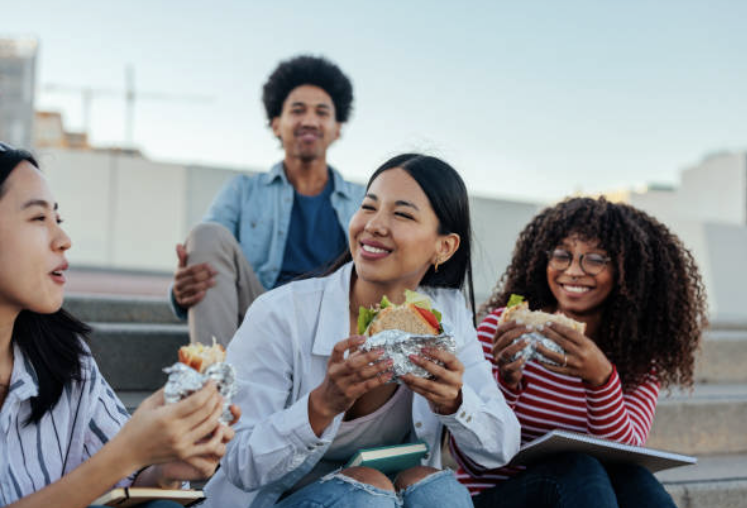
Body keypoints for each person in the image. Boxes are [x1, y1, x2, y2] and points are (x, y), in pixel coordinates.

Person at [201, 154, 521, 508]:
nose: (374, 225)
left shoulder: (447, 314)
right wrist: (321, 406)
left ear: (443, 247)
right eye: (368, 207)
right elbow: (236, 463)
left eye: (401, 214)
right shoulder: (282, 313)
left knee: (433, 488)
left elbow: (500, 448)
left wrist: (455, 402)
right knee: (369, 492)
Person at [0, 143, 240, 508]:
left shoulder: (65, 358)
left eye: (58, 220)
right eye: (38, 218)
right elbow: (119, 459)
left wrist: (166, 468)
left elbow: (128, 480)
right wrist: (127, 452)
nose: (64, 240)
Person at [451, 197, 707, 508]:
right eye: (562, 256)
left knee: (634, 479)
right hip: (495, 495)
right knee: (577, 468)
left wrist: (601, 380)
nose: (573, 271)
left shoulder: (637, 358)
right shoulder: (502, 330)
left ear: (628, 273)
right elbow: (471, 460)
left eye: (595, 259)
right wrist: (507, 381)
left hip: (585, 494)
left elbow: (624, 455)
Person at [171, 55, 365, 346]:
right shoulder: (242, 190)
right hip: (260, 319)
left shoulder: (364, 200)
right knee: (206, 235)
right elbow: (204, 256)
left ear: (337, 128)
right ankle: (215, 381)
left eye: (322, 112)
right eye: (297, 110)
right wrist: (179, 291)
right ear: (276, 124)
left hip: (336, 326)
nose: (310, 121)